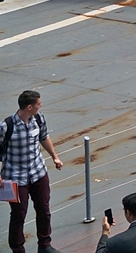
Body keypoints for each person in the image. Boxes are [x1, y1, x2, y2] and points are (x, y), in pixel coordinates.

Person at [4, 89, 63, 253]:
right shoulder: (6, 126)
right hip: (15, 177)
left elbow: (44, 137)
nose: (40, 106)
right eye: (38, 104)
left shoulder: (39, 118)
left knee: (44, 209)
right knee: (18, 215)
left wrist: (54, 157)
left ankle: (45, 245)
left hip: (38, 172)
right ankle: (18, 249)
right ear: (29, 107)